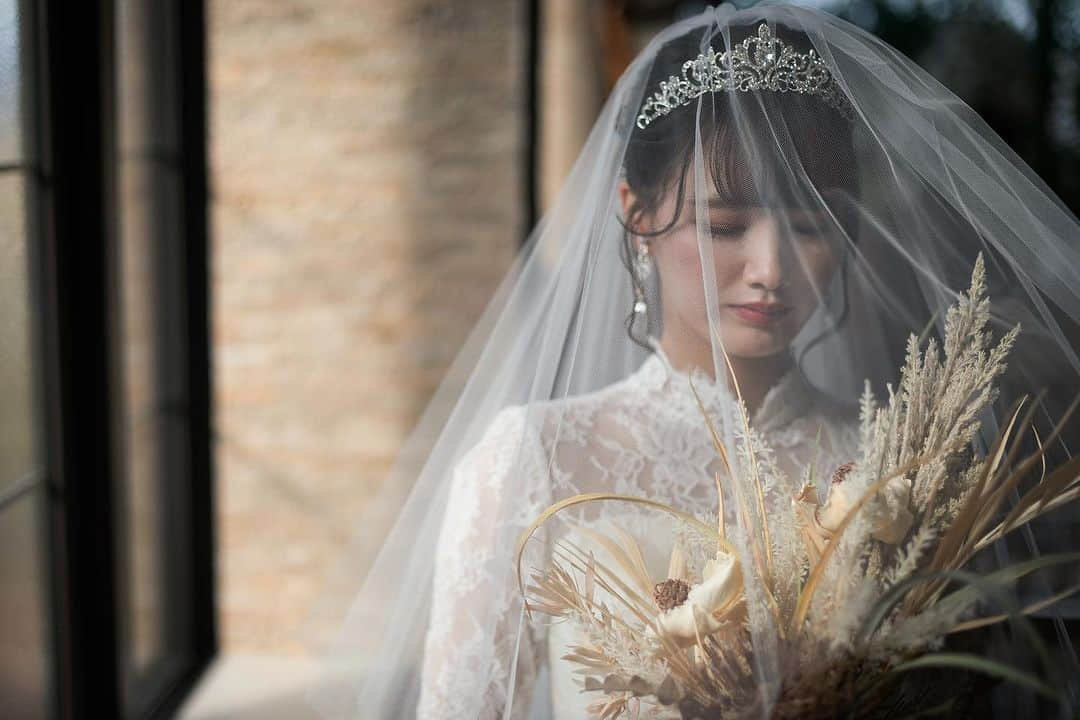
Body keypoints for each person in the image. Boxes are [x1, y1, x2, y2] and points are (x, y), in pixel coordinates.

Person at [308, 4, 1080, 719]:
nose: (772, 267)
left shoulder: (894, 465)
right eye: (725, 225)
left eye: (808, 226)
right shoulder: (534, 460)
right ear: (636, 216)